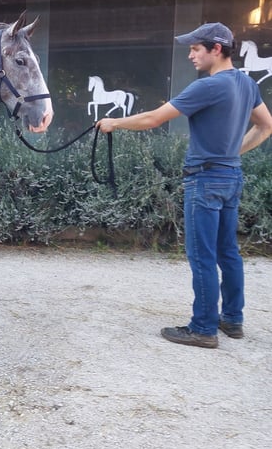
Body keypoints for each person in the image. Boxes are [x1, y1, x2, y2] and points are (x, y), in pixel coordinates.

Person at [96, 22, 272, 349]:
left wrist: (114, 122)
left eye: (196, 48)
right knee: (227, 252)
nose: (190, 54)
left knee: (202, 255)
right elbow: (266, 126)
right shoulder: (247, 85)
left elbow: (154, 119)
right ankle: (232, 320)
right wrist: (233, 152)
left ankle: (203, 328)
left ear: (216, 49)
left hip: (204, 180)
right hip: (231, 177)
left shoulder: (208, 86)